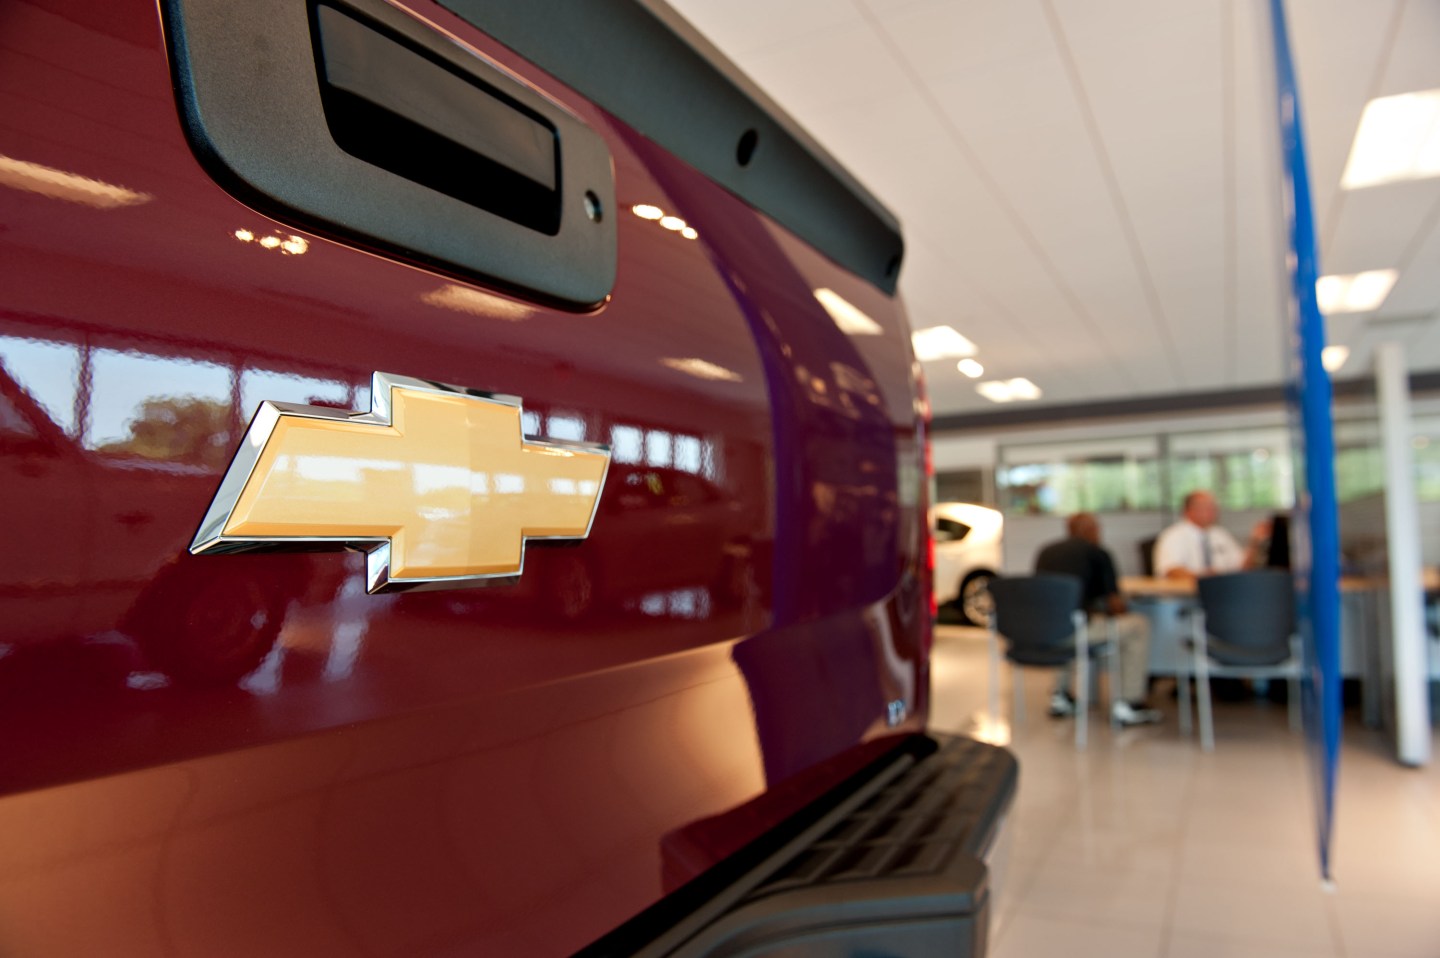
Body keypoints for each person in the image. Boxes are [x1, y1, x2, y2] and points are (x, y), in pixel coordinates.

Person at [1035, 513, 1162, 726]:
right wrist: (1122, 611)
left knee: (1064, 621)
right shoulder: (1098, 553)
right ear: (1092, 530)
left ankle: (1060, 695)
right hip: (1075, 631)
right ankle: (1129, 703)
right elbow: (1114, 603)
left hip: (1045, 630)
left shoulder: (1046, 552)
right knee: (1137, 625)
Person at [1153, 490, 1264, 580]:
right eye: (1205, 507)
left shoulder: (1220, 534)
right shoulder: (1173, 536)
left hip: (1220, 595)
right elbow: (1172, 571)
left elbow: (1242, 567)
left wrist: (1254, 542)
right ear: (1188, 511)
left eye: (1213, 507)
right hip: (1184, 599)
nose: (1212, 511)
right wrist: (1206, 579)